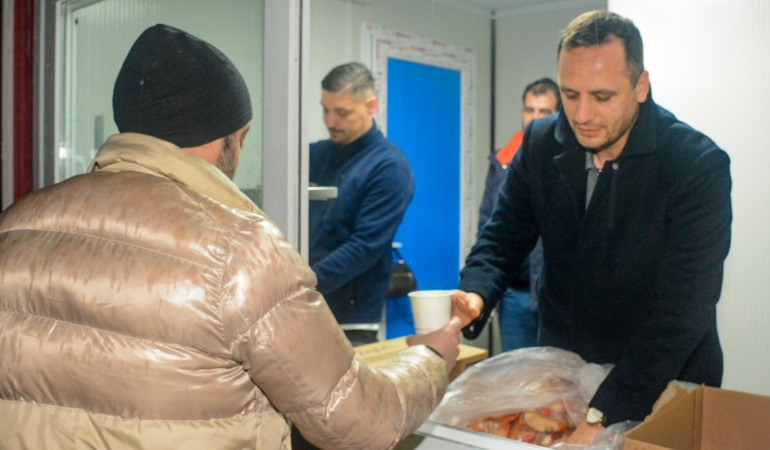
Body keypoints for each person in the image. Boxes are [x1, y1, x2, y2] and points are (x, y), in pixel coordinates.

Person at [0, 25, 463, 450]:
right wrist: (431, 358)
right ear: (225, 137)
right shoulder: (238, 253)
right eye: (243, 137)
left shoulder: (14, 225)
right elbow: (362, 421)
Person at [452, 10, 731, 444]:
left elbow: (681, 314)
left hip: (664, 382)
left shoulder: (695, 165)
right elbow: (503, 235)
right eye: (570, 94)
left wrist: (603, 412)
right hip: (566, 373)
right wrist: (475, 292)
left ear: (641, 86)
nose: (582, 114)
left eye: (602, 96)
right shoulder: (541, 142)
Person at [309, 62, 414, 347]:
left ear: (371, 105)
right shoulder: (314, 155)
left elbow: (364, 248)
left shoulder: (390, 167)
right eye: (325, 110)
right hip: (302, 308)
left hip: (351, 321)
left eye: (341, 112)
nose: (330, 121)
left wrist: (302, 283)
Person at [478, 78, 560, 352]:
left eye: (544, 112)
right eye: (529, 110)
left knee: (555, 383)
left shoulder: (566, 161)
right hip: (513, 295)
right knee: (516, 385)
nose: (534, 118)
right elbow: (488, 224)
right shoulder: (502, 161)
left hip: (553, 297)